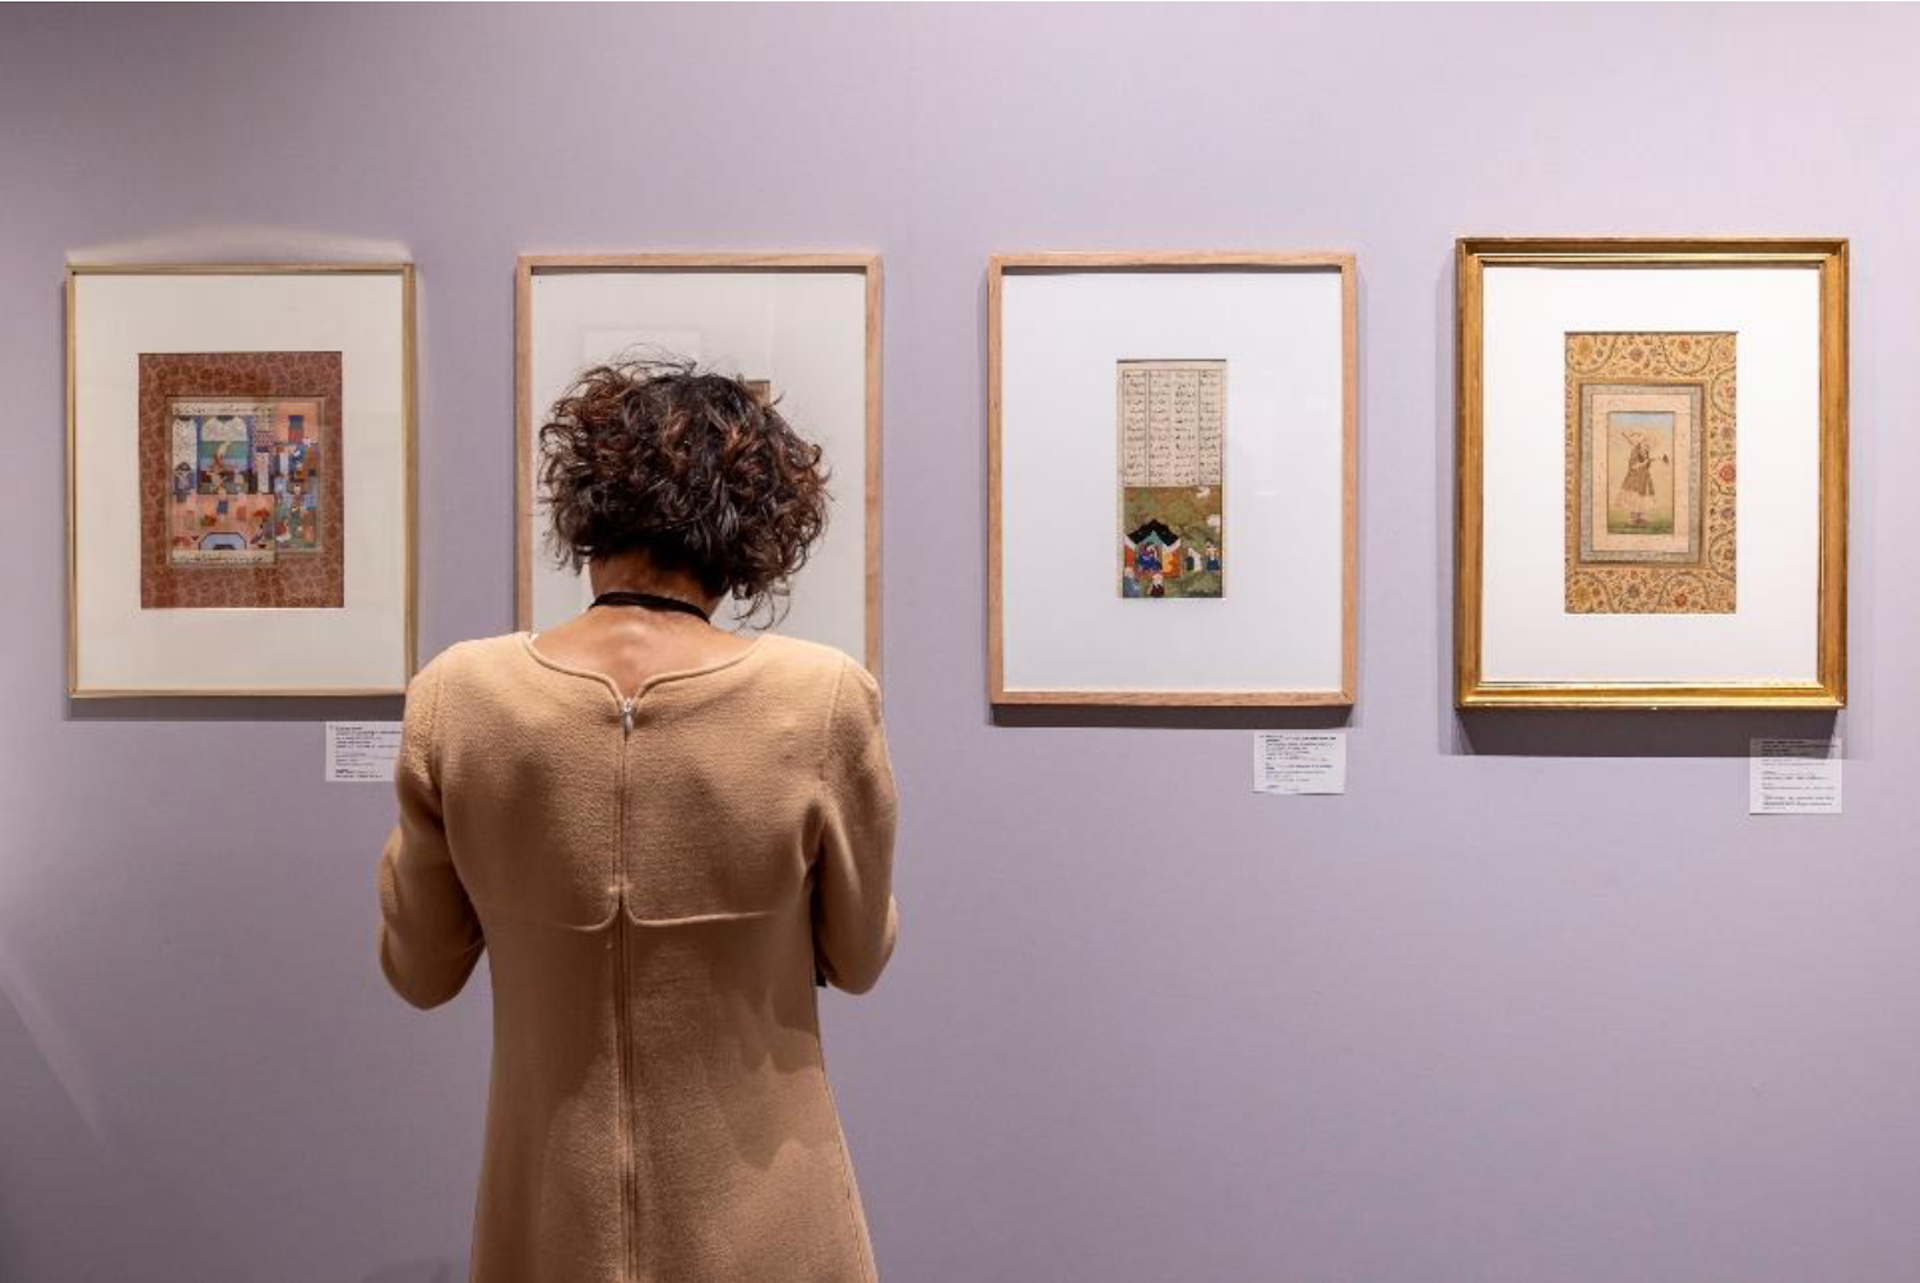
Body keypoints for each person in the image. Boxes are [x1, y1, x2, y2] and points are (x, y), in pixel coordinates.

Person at [377, 358, 900, 1283]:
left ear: (588, 508)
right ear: (751, 533)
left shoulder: (461, 695)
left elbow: (419, 969)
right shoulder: (819, 698)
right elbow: (857, 957)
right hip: (772, 1225)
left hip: (549, 1223)